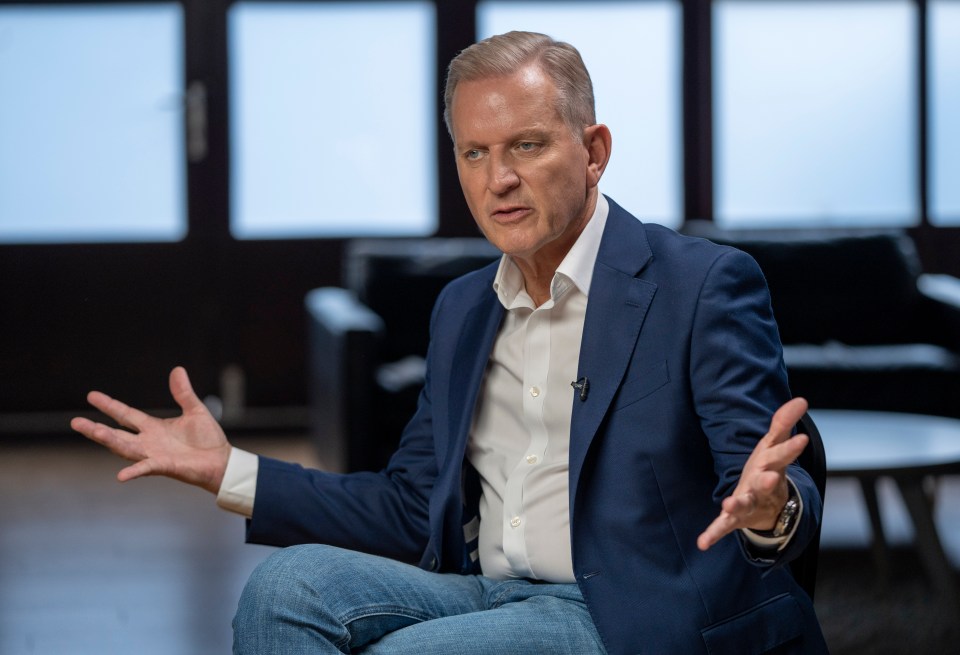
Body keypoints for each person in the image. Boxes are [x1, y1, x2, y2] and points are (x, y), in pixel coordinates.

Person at [72, 31, 827, 654]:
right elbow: (407, 508)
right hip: (486, 583)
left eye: (527, 146)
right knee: (285, 589)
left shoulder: (702, 283)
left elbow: (767, 485)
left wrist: (769, 509)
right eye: (475, 153)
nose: (499, 179)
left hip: (630, 609)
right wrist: (228, 470)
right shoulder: (463, 307)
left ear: (594, 150)